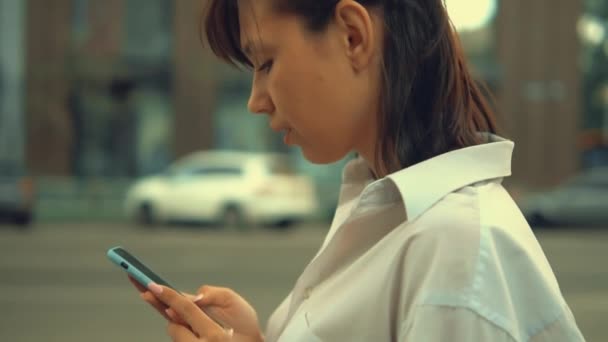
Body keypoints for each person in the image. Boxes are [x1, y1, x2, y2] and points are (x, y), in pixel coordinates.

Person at [130, 0, 586, 341]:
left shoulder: (456, 254)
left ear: (352, 35)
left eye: (266, 62)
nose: (256, 99)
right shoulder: (388, 209)